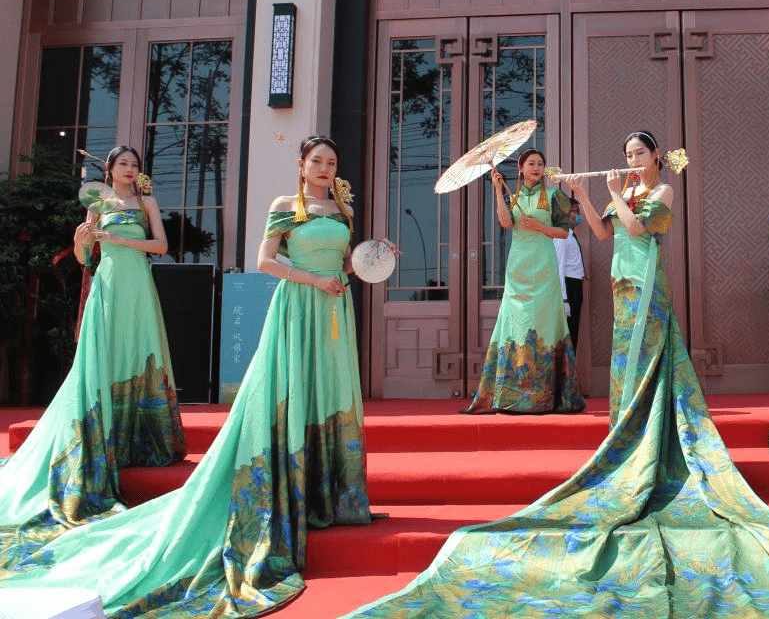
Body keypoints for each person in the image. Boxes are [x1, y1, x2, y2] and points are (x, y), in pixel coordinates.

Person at [346, 130, 769, 619]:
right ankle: (626, 426)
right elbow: (598, 232)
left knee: (651, 357)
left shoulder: (663, 194)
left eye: (637, 152)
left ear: (656, 157)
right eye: (624, 153)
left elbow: (642, 229)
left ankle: (656, 431)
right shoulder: (619, 194)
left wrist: (619, 193)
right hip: (618, 279)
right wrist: (585, 195)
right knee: (622, 363)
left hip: (646, 281)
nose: (628, 159)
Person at [2, 135, 373, 616]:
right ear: (301, 165)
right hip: (299, 306)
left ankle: (332, 493)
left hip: (334, 310)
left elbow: (344, 261)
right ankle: (290, 489)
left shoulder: (342, 208)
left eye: (332, 161)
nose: (325, 168)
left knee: (333, 397)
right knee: (292, 394)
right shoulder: (286, 205)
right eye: (317, 161)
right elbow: (266, 261)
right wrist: (314, 280)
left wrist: (366, 262)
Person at [0, 146, 185, 568]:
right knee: (104, 359)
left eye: (135, 165)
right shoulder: (98, 204)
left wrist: (117, 237)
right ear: (109, 170)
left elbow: (160, 246)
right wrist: (84, 241)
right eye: (123, 164)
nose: (130, 170)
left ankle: (145, 439)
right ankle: (104, 437)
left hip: (138, 284)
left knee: (142, 355)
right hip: (107, 285)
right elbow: (86, 260)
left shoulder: (146, 202)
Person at [463, 148, 583, 414]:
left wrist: (539, 227)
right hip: (518, 267)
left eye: (540, 163)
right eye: (531, 163)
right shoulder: (512, 195)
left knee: (543, 325)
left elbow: (564, 232)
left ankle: (545, 395)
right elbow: (506, 223)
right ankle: (511, 394)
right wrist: (497, 190)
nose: (536, 167)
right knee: (516, 325)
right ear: (520, 169)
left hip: (543, 266)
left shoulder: (554, 196)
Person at [553, 194, 586, 353]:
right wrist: (564, 299)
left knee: (574, 334)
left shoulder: (570, 235)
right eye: (576, 211)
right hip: (568, 286)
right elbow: (558, 268)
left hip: (575, 286)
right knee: (568, 336)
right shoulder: (562, 237)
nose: (578, 215)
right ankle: (564, 374)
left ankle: (569, 373)